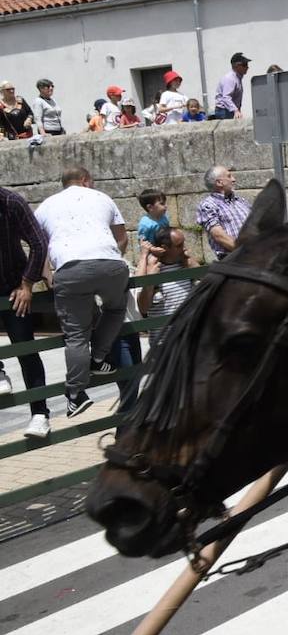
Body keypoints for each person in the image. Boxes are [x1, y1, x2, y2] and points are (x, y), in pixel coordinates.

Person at [33, 167, 129, 417]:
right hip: (110, 264)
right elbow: (122, 238)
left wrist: (47, 274)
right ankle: (98, 359)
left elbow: (37, 245)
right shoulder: (102, 197)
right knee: (115, 308)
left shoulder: (46, 205)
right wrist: (108, 261)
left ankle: (75, 395)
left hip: (70, 268)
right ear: (86, 180)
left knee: (76, 336)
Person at [0, 185, 52, 438]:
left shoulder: (11, 202)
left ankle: (40, 414)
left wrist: (27, 283)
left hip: (13, 287)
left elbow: (39, 242)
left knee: (26, 349)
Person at [136, 225, 195, 343]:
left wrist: (191, 264)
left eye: (184, 243)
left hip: (188, 339)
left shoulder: (186, 264)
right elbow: (143, 308)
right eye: (179, 246)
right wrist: (151, 281)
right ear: (164, 248)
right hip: (163, 343)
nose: (184, 249)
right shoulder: (151, 268)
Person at [196, 165, 253, 259]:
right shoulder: (208, 205)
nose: (234, 179)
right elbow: (219, 236)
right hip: (234, 260)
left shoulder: (241, 201)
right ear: (219, 182)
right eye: (229, 176)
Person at [213, 53, 250, 119]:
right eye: (244, 65)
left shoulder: (237, 78)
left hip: (228, 110)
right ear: (237, 66)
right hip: (224, 111)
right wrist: (235, 110)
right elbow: (226, 97)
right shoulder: (230, 78)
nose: (247, 67)